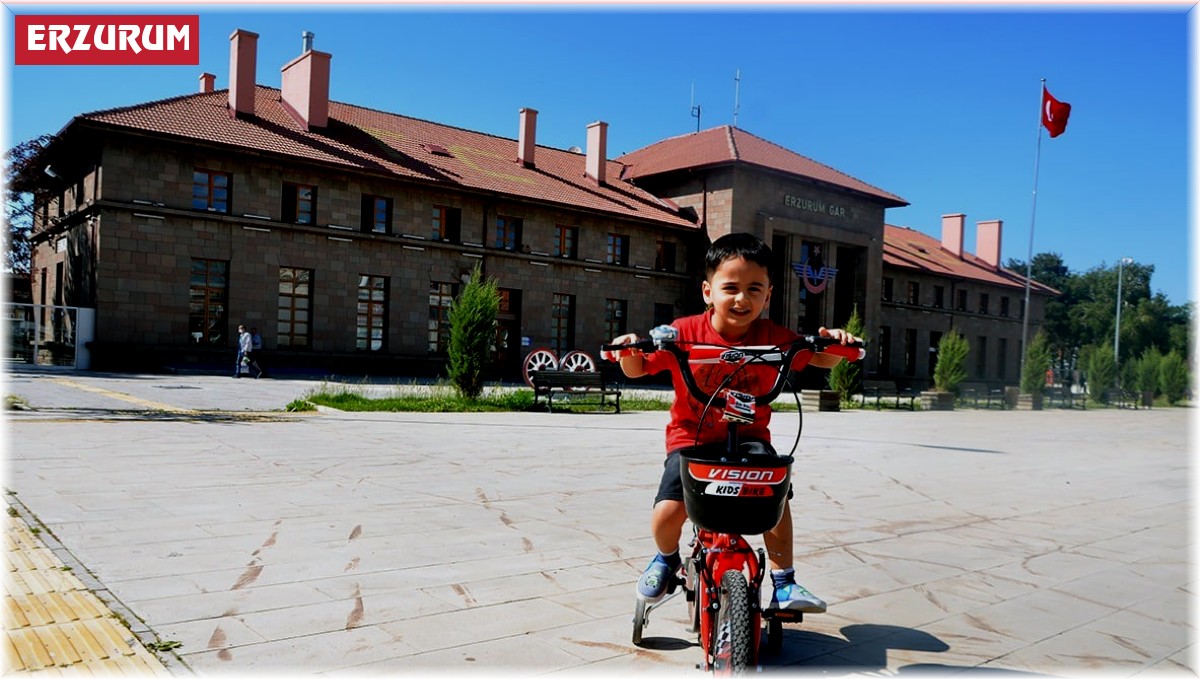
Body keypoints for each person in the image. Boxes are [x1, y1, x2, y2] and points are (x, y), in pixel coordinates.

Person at [600, 232, 861, 613]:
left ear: (768, 295)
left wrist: (835, 344)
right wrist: (628, 349)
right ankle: (666, 558)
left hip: (751, 437)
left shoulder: (774, 338)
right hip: (692, 437)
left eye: (755, 288)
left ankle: (784, 581)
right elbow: (637, 368)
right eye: (731, 287)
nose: (742, 298)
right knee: (669, 510)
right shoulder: (684, 333)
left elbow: (819, 358)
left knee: (775, 497)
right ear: (708, 291)